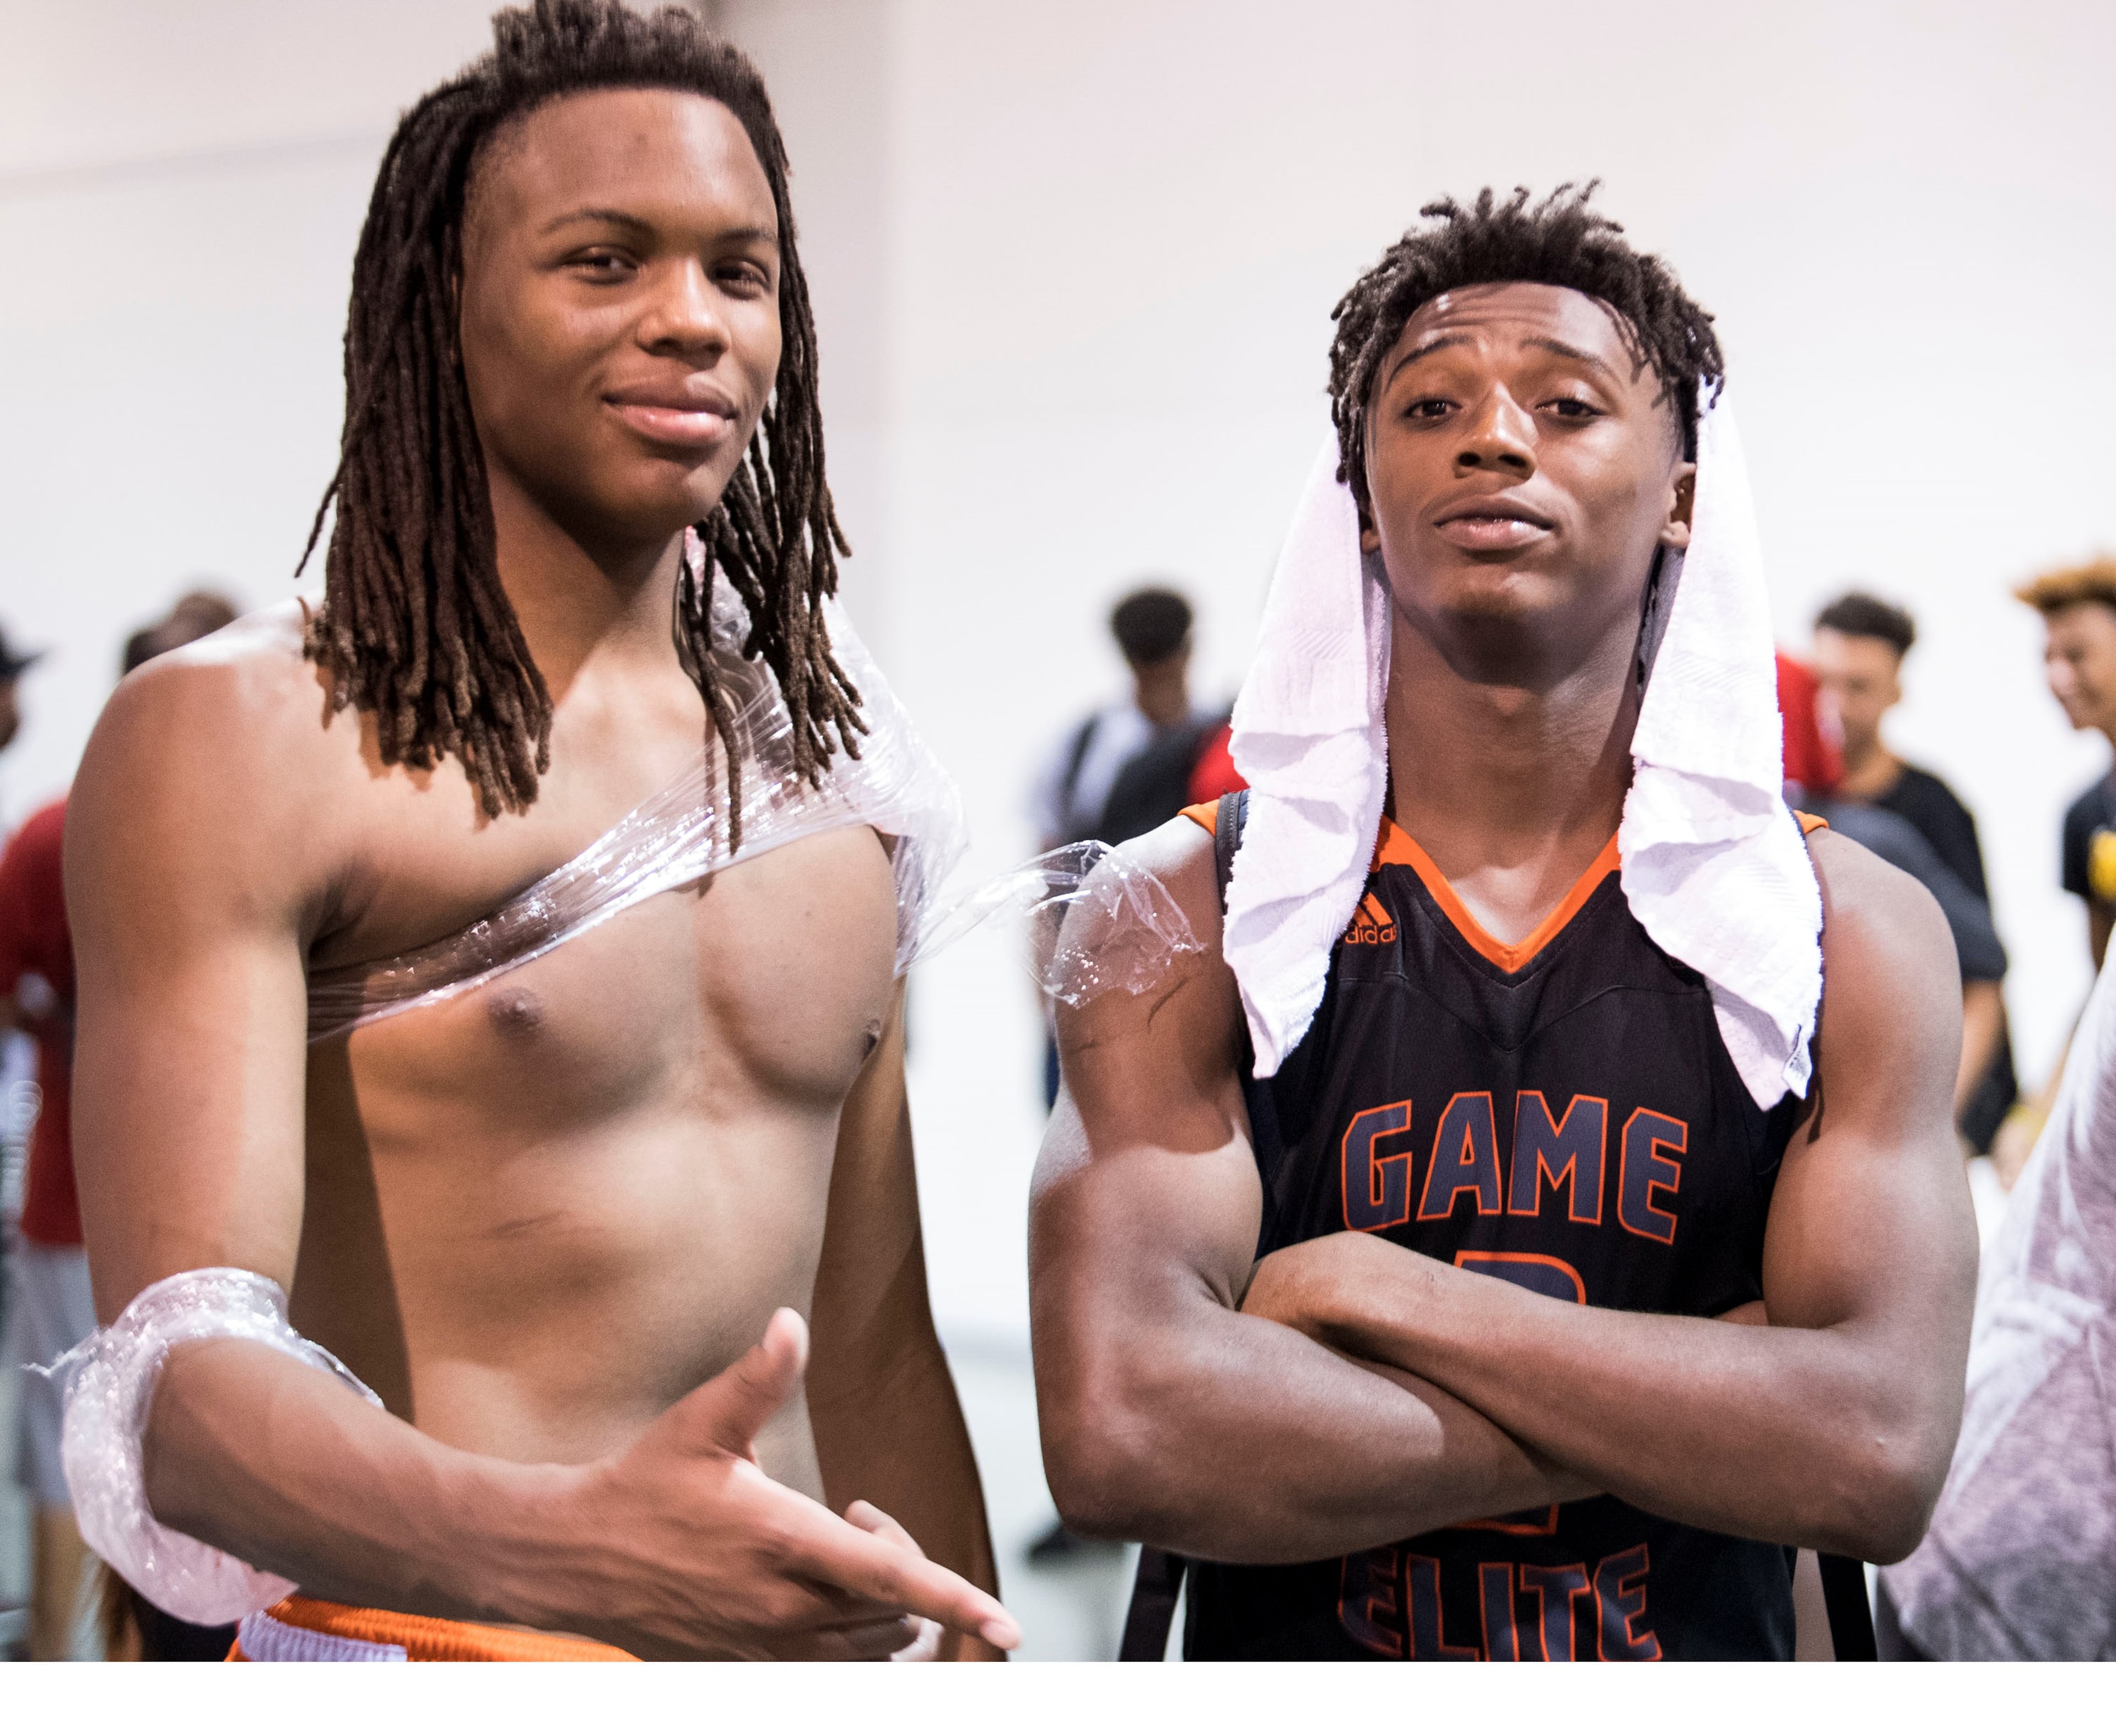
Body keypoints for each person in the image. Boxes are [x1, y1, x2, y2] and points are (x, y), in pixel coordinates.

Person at [61, 0, 1014, 1664]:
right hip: (422, 1658)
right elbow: (175, 1395)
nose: (691, 320)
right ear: (445, 302)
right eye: (604, 260)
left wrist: (972, 1654)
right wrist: (566, 1551)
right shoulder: (249, 732)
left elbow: (872, 1356)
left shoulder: (834, 759)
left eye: (740, 270)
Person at [1029, 186, 1977, 1660]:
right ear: (1357, 484)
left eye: (1567, 401)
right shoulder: (1182, 906)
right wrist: (1722, 1401)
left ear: (1682, 488)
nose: (1493, 435)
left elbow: (1875, 1452)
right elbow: (1126, 1430)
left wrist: (1380, 1294)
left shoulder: (1850, 931)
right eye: (1428, 402)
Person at [0, 603, 245, 1662]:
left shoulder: (55, 831)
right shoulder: (245, 829)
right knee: (162, 1451)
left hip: (127, 1208)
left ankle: (69, 1670)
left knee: (92, 1453)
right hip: (187, 1215)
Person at [1811, 592, 2014, 1150]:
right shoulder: (1782, 804)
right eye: (1823, 682)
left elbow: (1984, 975)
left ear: (1896, 690)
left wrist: (1935, 1128)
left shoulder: (1932, 814)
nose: (1836, 705)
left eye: (1859, 686)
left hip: (1921, 1108)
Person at [2018, 558, 2116, 972]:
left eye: (2077, 655)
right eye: (2048, 657)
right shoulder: (2086, 815)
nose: (2058, 676)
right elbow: (2103, 983)